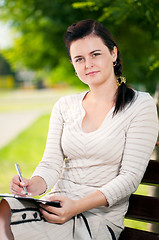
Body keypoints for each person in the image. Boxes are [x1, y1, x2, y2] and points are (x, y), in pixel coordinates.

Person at [0, 19, 158, 240]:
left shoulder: (139, 105)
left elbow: (129, 178)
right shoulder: (64, 106)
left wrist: (76, 206)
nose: (88, 64)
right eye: (79, 59)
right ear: (73, 66)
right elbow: (50, 164)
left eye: (96, 54)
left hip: (96, 219)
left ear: (113, 54)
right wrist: (31, 186)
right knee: (2, 212)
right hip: (54, 207)